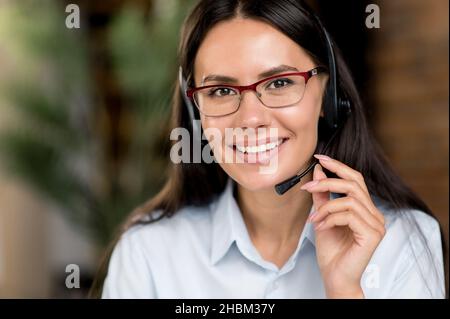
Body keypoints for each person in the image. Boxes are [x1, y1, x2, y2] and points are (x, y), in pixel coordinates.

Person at [96, 0, 446, 298]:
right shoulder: (147, 253)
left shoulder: (406, 242)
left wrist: (345, 290)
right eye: (220, 90)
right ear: (196, 111)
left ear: (327, 96)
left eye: (279, 83)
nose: (251, 119)